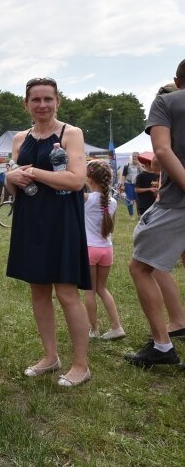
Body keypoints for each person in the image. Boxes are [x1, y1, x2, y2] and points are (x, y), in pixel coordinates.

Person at [5, 77, 92, 387]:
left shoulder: (72, 133)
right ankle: (50, 356)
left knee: (67, 292)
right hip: (31, 220)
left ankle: (81, 364)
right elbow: (12, 186)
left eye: (48, 99)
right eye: (36, 100)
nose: (42, 105)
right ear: (26, 104)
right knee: (38, 290)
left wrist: (31, 172)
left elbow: (76, 181)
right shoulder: (19, 139)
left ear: (58, 102)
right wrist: (11, 177)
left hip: (62, 220)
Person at [125, 59, 185, 368]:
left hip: (178, 203)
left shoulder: (166, 102)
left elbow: (162, 151)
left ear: (177, 80)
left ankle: (162, 346)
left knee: (141, 267)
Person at [82, 159, 125, 341]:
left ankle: (94, 329)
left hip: (90, 249)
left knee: (90, 290)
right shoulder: (113, 202)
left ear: (89, 179)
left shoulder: (87, 198)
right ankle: (116, 326)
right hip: (106, 249)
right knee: (102, 288)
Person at [120, 153, 142, 218]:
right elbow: (123, 176)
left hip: (137, 184)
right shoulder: (127, 165)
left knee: (138, 200)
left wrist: (139, 165)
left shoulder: (140, 165)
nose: (134, 157)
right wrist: (122, 185)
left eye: (136, 156)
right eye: (133, 156)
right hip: (128, 183)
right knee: (129, 200)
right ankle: (131, 215)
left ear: (138, 157)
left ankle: (139, 215)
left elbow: (143, 173)